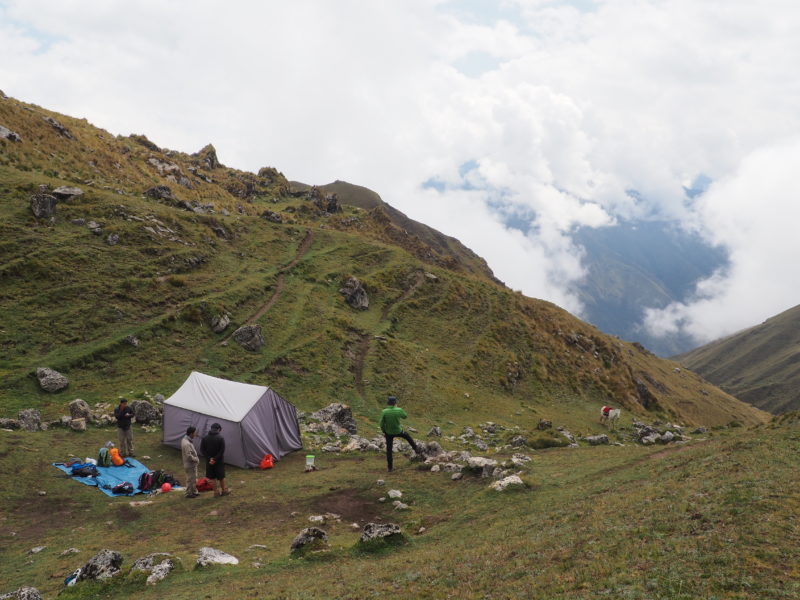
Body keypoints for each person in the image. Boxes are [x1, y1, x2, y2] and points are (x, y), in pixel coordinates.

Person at [379, 395, 420, 472]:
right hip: (398, 431)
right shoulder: (399, 410)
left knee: (389, 450)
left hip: (388, 432)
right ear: (395, 403)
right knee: (407, 436)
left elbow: (381, 424)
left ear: (388, 403)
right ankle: (416, 448)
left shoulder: (384, 411)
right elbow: (405, 416)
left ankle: (390, 468)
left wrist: (384, 431)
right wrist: (397, 408)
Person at [200, 422, 230, 497]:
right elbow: (222, 451)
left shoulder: (205, 438)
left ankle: (216, 493)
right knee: (221, 477)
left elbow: (202, 450)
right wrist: (215, 459)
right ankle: (224, 491)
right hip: (219, 461)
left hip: (209, 462)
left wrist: (210, 458)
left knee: (212, 477)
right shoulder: (220, 438)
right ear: (218, 429)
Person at [181, 426, 200, 498]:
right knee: (191, 479)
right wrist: (196, 459)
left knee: (193, 479)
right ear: (191, 433)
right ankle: (189, 493)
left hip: (189, 464)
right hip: (190, 464)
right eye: (195, 433)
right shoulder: (187, 444)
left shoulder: (185, 440)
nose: (195, 435)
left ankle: (194, 491)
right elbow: (189, 456)